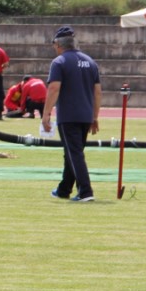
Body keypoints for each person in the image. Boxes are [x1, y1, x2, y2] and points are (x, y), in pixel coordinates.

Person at [41, 25, 101, 202]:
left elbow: (54, 88)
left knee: (74, 153)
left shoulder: (59, 62)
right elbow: (97, 92)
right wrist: (95, 116)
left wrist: (46, 114)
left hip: (68, 115)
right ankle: (64, 189)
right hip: (85, 114)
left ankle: (85, 191)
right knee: (72, 152)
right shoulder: (90, 62)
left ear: (59, 45)